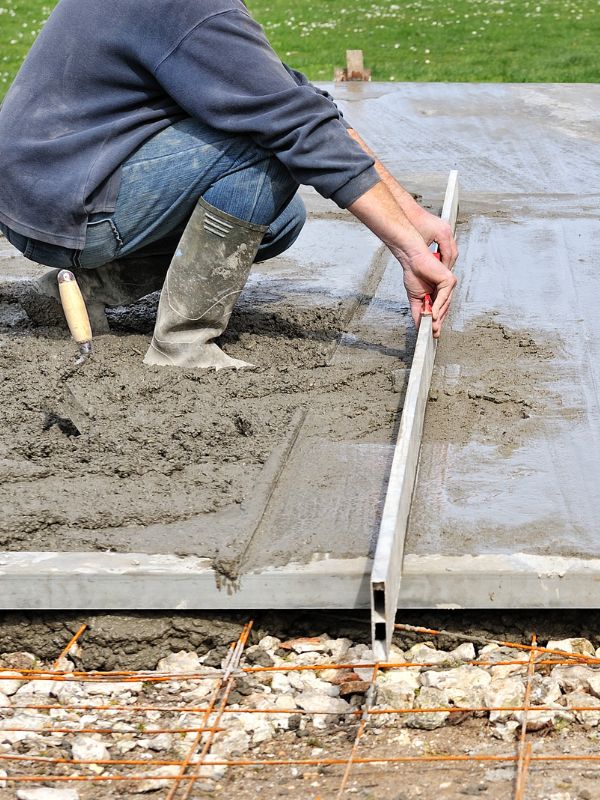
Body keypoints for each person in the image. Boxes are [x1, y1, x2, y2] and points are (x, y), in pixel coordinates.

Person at [0, 0, 457, 369]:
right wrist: (411, 253)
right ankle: (183, 344)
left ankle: (89, 287)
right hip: (69, 206)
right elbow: (294, 127)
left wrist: (413, 218)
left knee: (279, 218)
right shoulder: (188, 8)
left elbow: (296, 99)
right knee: (266, 150)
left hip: (45, 192)